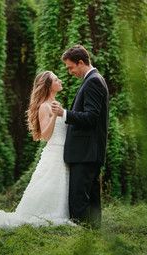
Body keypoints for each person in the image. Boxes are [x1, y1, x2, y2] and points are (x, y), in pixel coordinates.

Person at [0, 71, 75, 231]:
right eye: (56, 79)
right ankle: (46, 214)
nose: (60, 80)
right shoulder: (44, 106)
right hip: (54, 152)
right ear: (48, 86)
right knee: (48, 184)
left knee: (59, 185)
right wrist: (55, 117)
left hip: (63, 152)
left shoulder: (56, 104)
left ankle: (59, 212)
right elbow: (46, 135)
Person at [50, 45, 109, 229]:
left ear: (81, 62)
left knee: (79, 198)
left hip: (86, 152)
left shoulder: (93, 81)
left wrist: (64, 113)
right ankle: (93, 234)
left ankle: (83, 236)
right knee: (91, 199)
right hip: (90, 152)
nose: (70, 72)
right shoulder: (94, 79)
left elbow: (91, 117)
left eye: (71, 67)